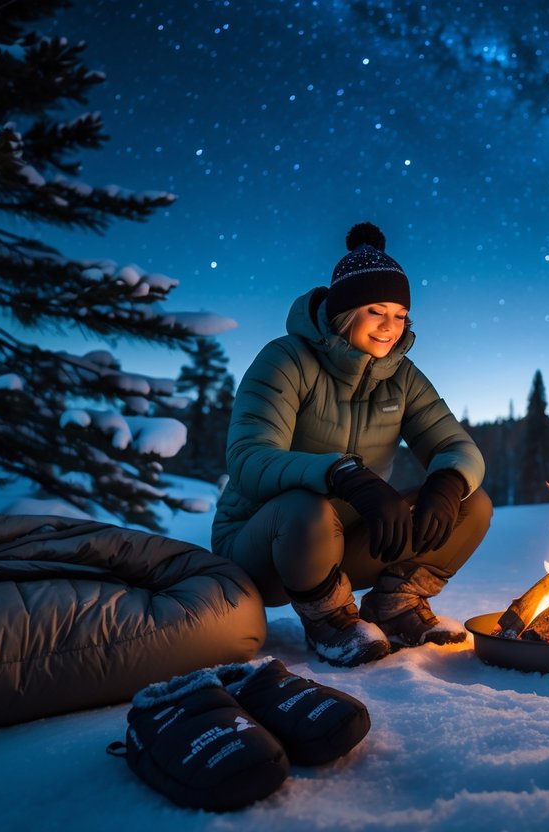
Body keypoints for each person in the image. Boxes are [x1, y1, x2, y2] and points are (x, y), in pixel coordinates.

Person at [211, 222, 492, 668]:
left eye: (400, 315)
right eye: (376, 311)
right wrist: (343, 475)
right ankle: (329, 618)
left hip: (351, 539)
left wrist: (450, 480)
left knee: (471, 504)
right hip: (266, 546)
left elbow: (457, 445)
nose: (390, 328)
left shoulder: (402, 376)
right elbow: (249, 459)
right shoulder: (286, 360)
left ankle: (395, 606)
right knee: (307, 508)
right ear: (344, 312)